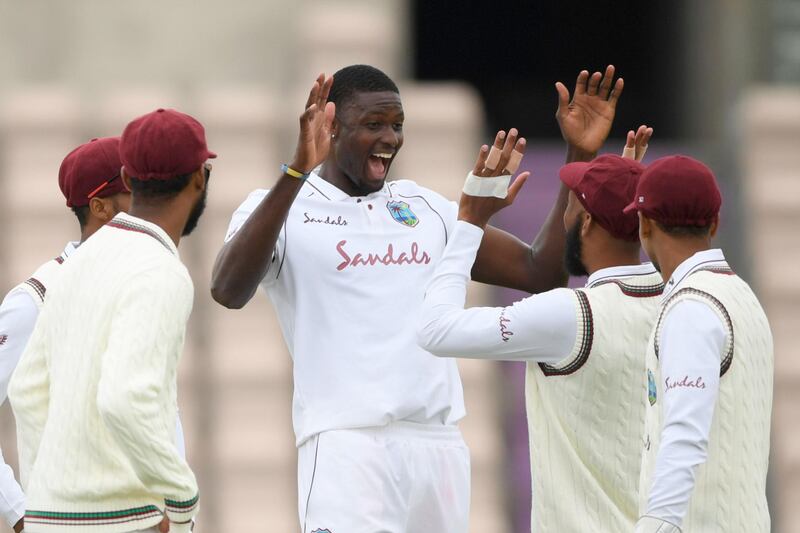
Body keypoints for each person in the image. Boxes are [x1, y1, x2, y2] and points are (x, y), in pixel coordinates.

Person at [210, 65, 624, 533]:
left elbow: (540, 272)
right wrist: (296, 172)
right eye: (374, 124)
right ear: (331, 127)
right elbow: (227, 290)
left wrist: (579, 156)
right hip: (349, 448)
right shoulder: (280, 205)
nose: (390, 137)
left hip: (438, 447)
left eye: (397, 124)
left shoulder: (425, 209)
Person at [416, 121, 660, 532]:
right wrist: (621, 193)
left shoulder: (565, 314)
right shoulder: (681, 298)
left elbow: (435, 330)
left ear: (583, 222)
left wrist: (470, 223)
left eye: (572, 203)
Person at [8, 108, 213, 533]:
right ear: (200, 177)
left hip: (57, 517)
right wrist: (180, 500)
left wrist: (47, 503)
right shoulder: (159, 269)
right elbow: (123, 398)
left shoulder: (78, 263)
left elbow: (26, 390)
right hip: (122, 521)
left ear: (130, 175)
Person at [628, 156, 773, 533]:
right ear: (715, 222)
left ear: (645, 224)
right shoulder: (741, 295)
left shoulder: (691, 307)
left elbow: (685, 435)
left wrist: (655, 526)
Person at [0, 137, 131, 533]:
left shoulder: (144, 285)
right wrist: (20, 512)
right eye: (135, 192)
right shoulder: (34, 299)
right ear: (100, 207)